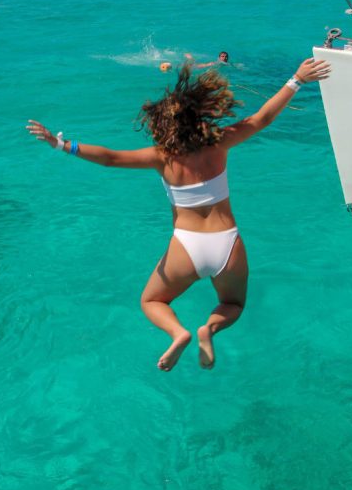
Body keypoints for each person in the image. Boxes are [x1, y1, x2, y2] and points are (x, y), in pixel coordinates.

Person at [27, 56, 330, 373]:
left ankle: (178, 332)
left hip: (187, 246)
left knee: (152, 302)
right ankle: (208, 330)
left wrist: (61, 144)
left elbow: (111, 159)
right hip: (228, 244)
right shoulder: (220, 142)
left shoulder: (162, 157)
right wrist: (296, 79)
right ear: (198, 115)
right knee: (233, 304)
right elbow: (261, 118)